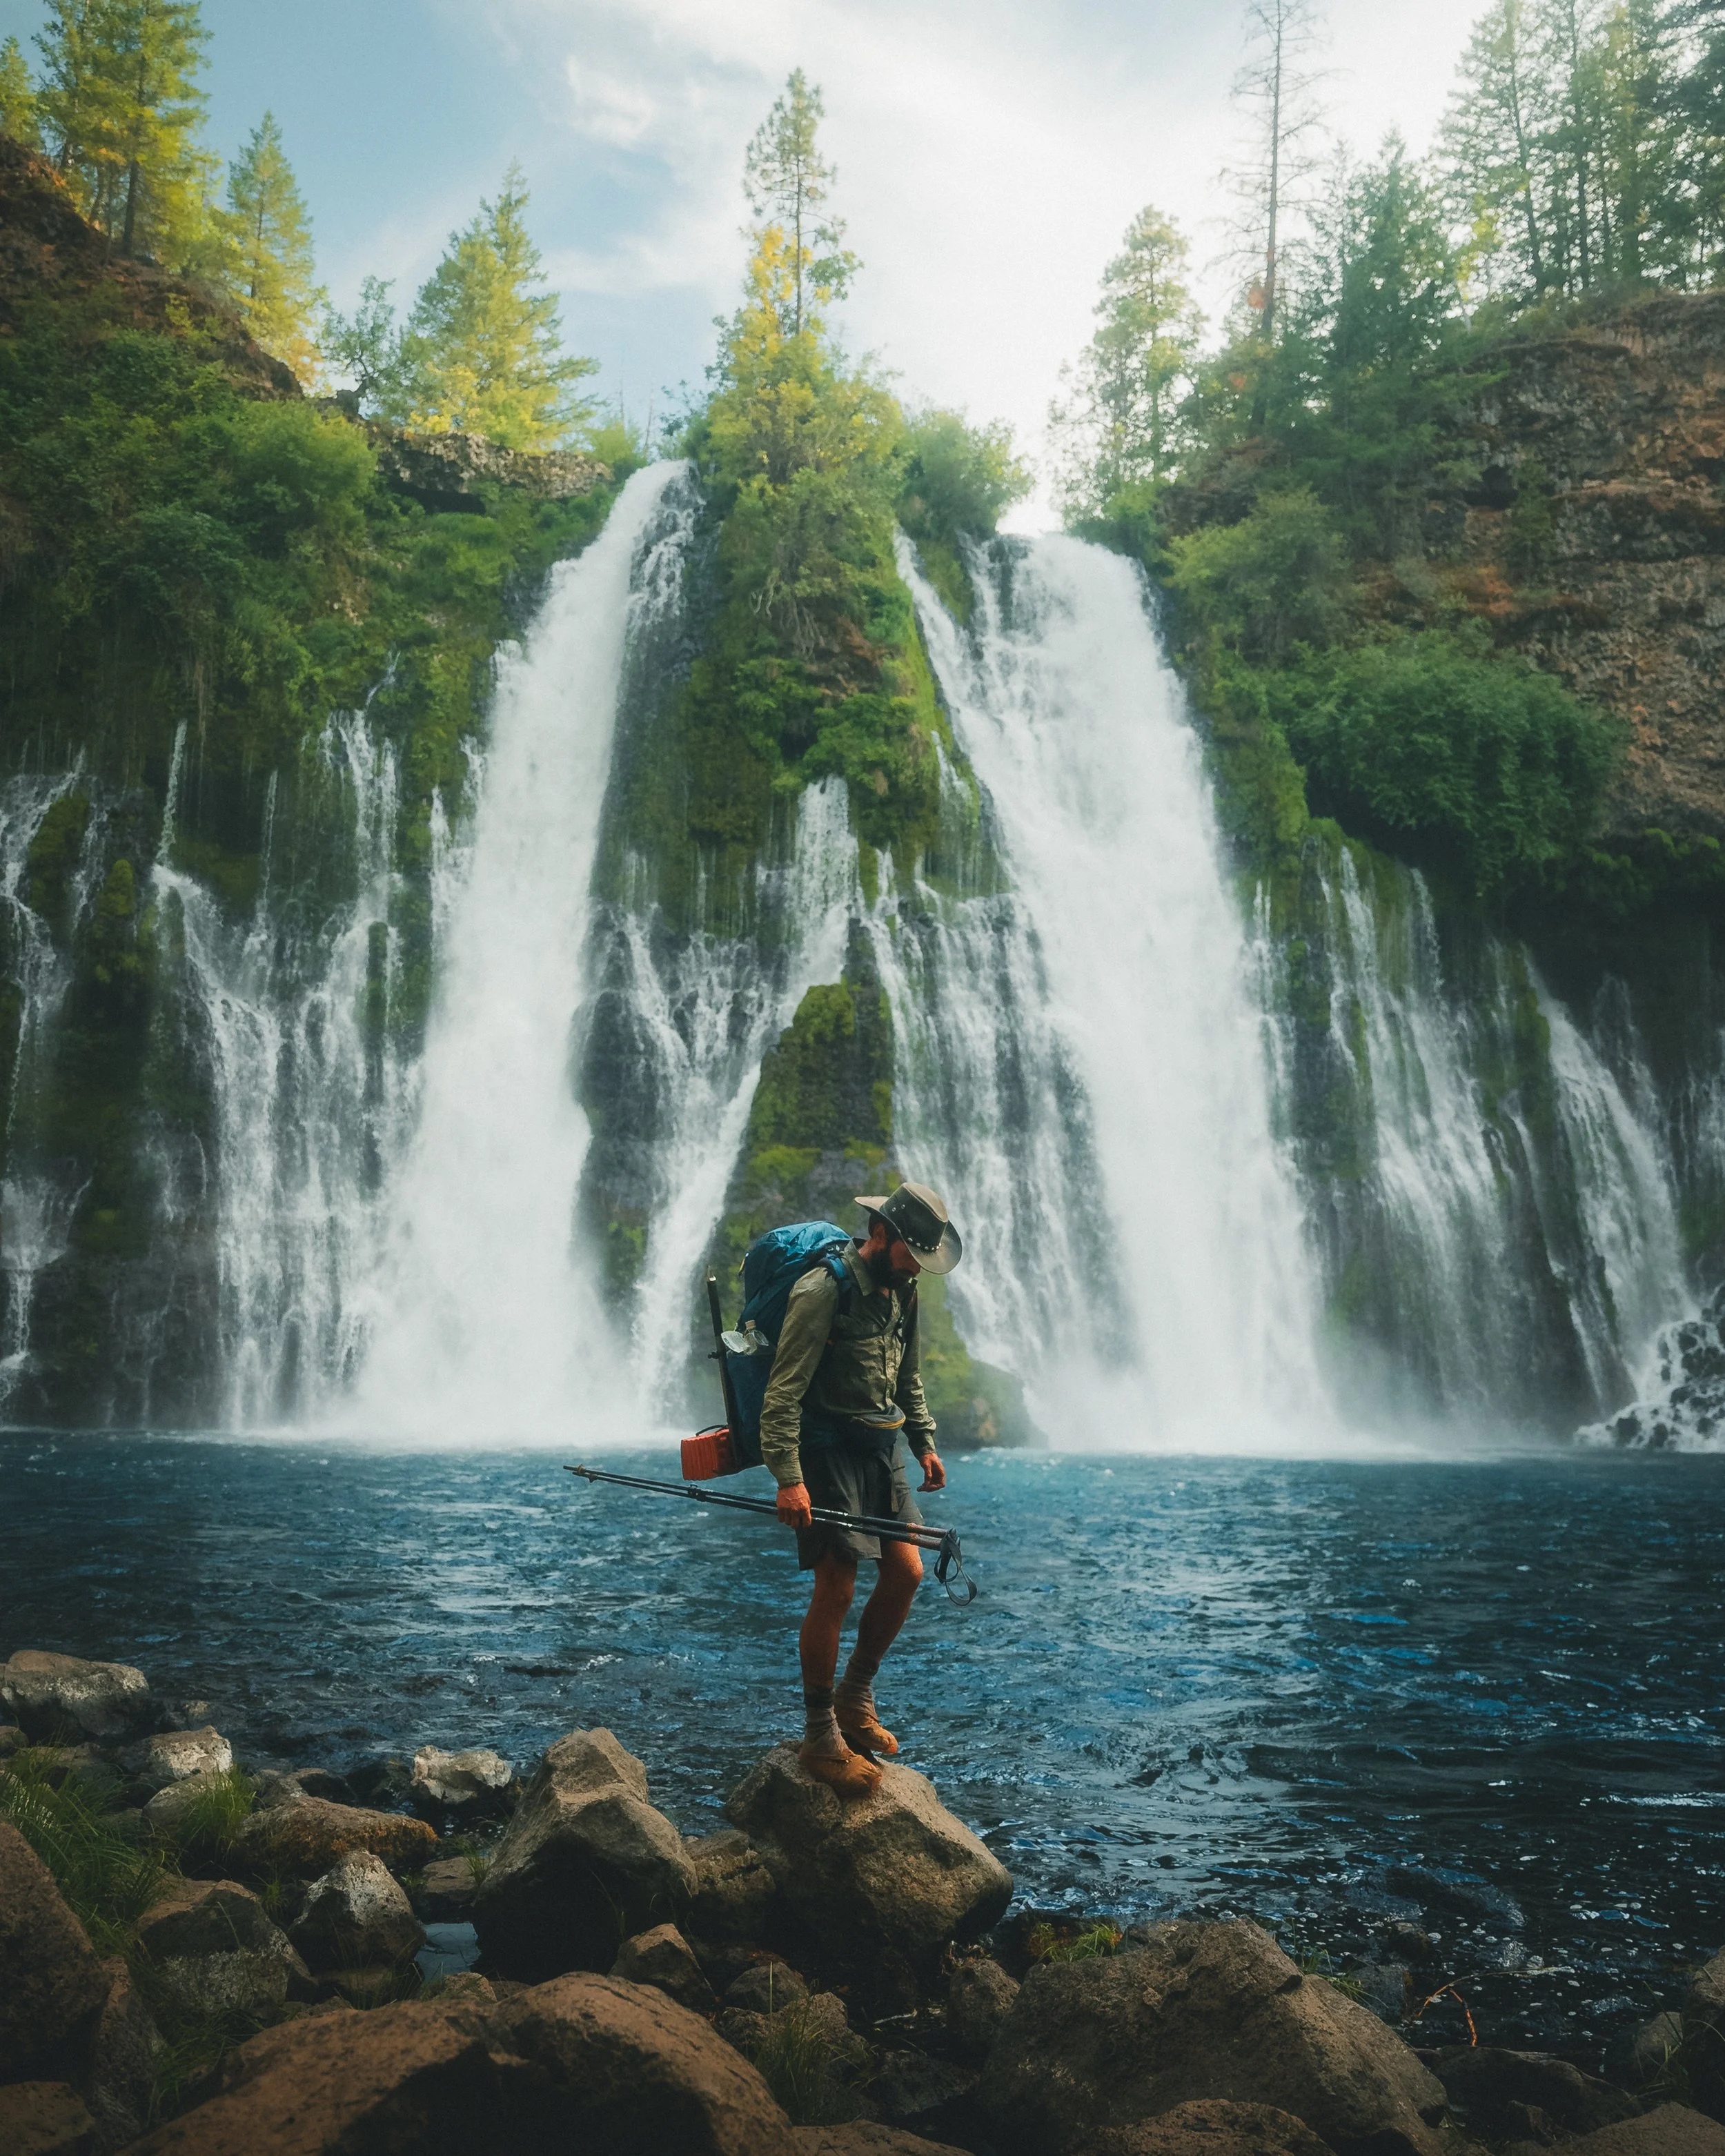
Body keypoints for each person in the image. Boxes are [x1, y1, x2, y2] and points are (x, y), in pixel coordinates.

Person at [758, 1180, 963, 1798]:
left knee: (907, 1572)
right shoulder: (822, 1290)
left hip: (881, 1448)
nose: (915, 1269)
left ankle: (854, 1695)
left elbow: (908, 1372)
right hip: (825, 1450)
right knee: (838, 1584)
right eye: (909, 1255)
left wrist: (924, 1440)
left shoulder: (906, 1289)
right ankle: (820, 1731)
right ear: (880, 1236)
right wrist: (788, 1478)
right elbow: (782, 1394)